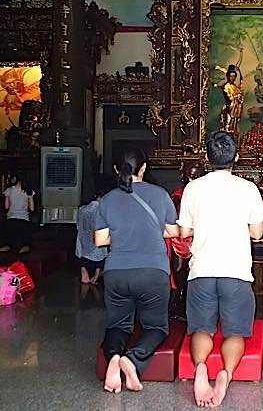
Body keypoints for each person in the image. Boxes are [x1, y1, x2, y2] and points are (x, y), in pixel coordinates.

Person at [177, 131, 263, 408]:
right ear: (236, 158)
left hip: (202, 269)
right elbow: (257, 233)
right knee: (234, 333)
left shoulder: (193, 189)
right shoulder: (247, 189)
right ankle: (225, 374)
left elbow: (184, 230)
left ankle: (201, 367)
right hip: (236, 271)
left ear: (207, 158)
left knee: (201, 328)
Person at [95, 147, 179, 394]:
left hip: (117, 272)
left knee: (118, 326)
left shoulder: (108, 199)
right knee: (155, 327)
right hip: (153, 272)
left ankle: (113, 358)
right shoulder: (160, 194)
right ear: (144, 168)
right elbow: (173, 232)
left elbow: (100, 240)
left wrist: (123, 231)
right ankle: (132, 359)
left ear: (115, 169)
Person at [166, 160, 205, 320]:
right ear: (183, 177)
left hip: (203, 240)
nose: (194, 180)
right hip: (181, 241)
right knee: (180, 275)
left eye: (198, 176)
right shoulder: (177, 196)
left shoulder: (208, 195)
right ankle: (179, 304)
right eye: (191, 176)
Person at [75, 186, 108, 285]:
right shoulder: (101, 210)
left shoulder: (82, 208)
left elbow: (77, 224)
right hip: (96, 236)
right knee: (100, 256)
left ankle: (84, 273)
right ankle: (96, 275)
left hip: (82, 236)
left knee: (83, 256)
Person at [0, 173, 35, 254]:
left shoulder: (8, 190)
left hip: (11, 218)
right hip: (23, 219)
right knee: (26, 243)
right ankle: (22, 250)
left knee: (9, 243)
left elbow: (6, 207)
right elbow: (32, 208)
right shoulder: (28, 191)